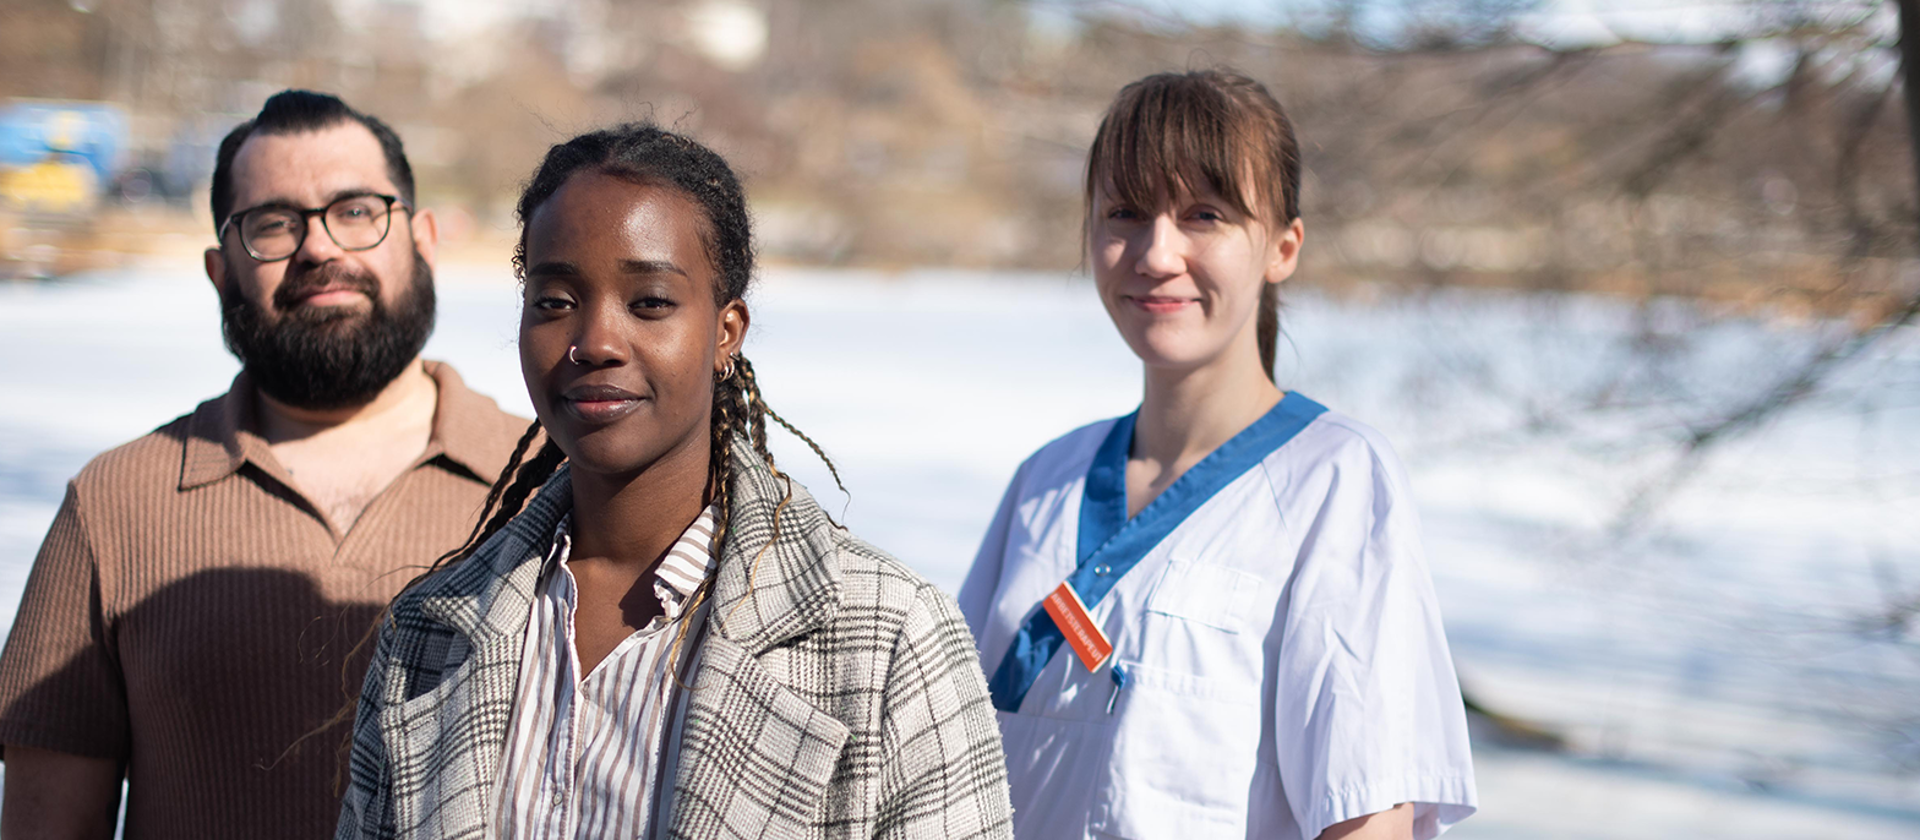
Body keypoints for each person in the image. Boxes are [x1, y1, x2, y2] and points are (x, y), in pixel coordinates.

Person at [335, 123, 1012, 839]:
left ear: (726, 332)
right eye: (555, 301)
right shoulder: (427, 631)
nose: (595, 341)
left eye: (650, 302)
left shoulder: (890, 637)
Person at [958, 69, 1478, 840]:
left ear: (1282, 248)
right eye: (1125, 212)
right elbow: (943, 765)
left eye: (1204, 215)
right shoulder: (1047, 480)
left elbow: (1367, 815)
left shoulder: (1332, 481)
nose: (1157, 253)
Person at [0, 90, 528, 839]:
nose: (319, 248)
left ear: (425, 240)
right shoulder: (115, 504)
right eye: (274, 224)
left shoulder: (553, 486)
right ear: (220, 272)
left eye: (356, 211)